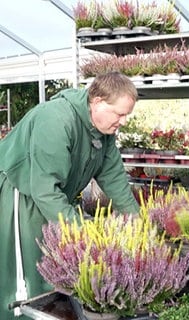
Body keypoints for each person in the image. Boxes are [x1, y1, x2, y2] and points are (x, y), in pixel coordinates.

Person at [0, 72, 140, 319]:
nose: (124, 121)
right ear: (96, 101)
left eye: (127, 114)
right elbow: (45, 190)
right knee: (24, 276)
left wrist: (137, 225)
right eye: (119, 113)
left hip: (45, 194)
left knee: (51, 268)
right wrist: (82, 232)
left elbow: (114, 177)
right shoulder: (57, 119)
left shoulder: (103, 132)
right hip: (20, 193)